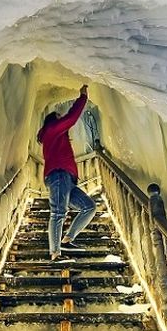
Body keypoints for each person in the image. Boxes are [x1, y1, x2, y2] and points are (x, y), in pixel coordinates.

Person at [37, 84, 96, 260]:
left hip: (67, 179)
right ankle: (55, 253)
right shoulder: (51, 130)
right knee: (58, 212)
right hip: (59, 175)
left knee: (89, 207)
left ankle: (67, 239)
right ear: (52, 120)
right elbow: (71, 118)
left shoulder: (56, 135)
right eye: (58, 117)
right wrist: (82, 97)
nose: (62, 119)